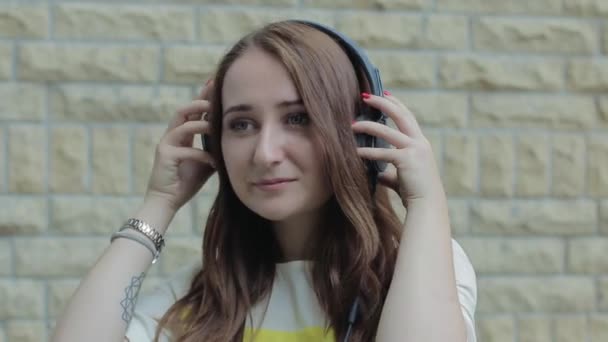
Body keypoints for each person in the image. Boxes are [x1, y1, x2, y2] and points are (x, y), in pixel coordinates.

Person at [51, 20, 477, 342]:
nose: (265, 152)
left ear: (361, 130)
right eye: (241, 125)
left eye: (298, 118)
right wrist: (159, 204)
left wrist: (426, 202)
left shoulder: (422, 267)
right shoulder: (194, 301)